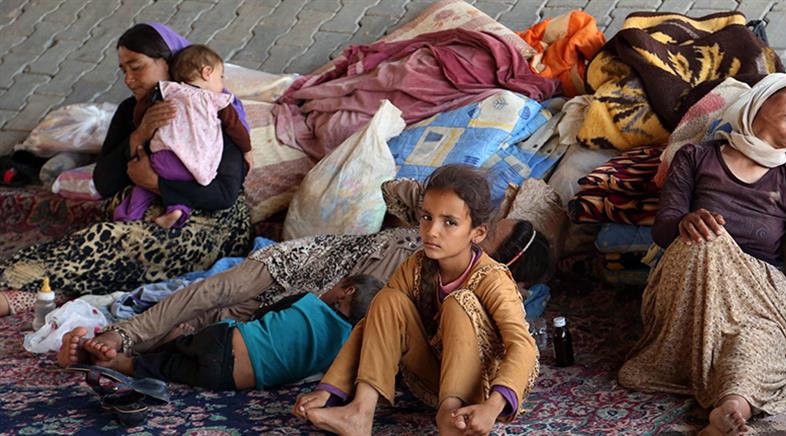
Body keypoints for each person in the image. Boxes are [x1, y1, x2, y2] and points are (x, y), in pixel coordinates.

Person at [57, 180, 550, 370]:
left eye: (488, 231)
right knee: (215, 288)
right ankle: (119, 336)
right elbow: (390, 189)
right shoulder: (437, 227)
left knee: (210, 330)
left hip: (309, 306)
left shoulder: (452, 288)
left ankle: (104, 355)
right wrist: (441, 203)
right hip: (304, 262)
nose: (478, 228)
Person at [618, 73, 786, 435]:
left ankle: (729, 411)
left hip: (758, 300)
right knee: (710, 239)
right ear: (762, 100)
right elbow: (663, 229)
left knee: (752, 345)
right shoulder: (697, 156)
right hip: (692, 284)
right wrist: (686, 223)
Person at [0, 22, 251, 318]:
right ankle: (26, 288)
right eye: (123, 70)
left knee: (107, 241)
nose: (128, 79)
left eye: (137, 67)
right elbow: (103, 183)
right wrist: (139, 135)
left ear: (169, 61)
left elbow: (224, 194)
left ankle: (12, 280)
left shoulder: (212, 109)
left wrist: (157, 183)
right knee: (111, 232)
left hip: (210, 226)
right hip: (153, 210)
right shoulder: (133, 110)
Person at [291, 165, 539, 436]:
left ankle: (449, 417)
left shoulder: (492, 278)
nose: (432, 231)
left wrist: (492, 407)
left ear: (477, 233)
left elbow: (523, 346)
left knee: (459, 302)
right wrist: (329, 390)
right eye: (426, 217)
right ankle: (359, 413)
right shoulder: (416, 266)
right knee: (387, 300)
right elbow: (372, 324)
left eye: (449, 222)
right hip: (431, 380)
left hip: (477, 390)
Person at [82, 274, 383, 391]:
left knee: (193, 343)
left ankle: (173, 342)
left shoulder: (308, 301)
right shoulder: (346, 346)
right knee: (172, 369)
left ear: (347, 290)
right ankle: (124, 364)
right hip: (232, 381)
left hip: (223, 340)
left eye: (337, 285)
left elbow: (262, 316)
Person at [115, 43, 252, 229]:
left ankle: (128, 216)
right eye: (221, 77)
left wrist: (141, 124)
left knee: (142, 186)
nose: (222, 85)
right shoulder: (217, 101)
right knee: (183, 187)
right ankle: (177, 210)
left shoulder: (168, 90)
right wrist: (247, 150)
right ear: (207, 72)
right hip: (195, 167)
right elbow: (235, 127)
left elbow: (142, 106)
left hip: (163, 159)